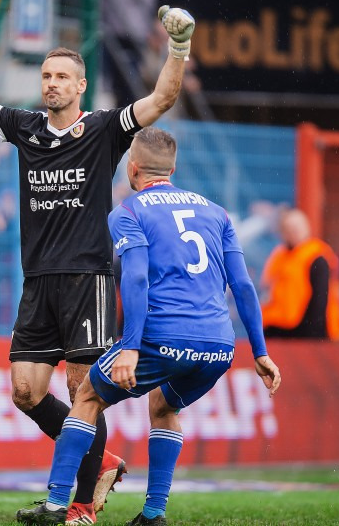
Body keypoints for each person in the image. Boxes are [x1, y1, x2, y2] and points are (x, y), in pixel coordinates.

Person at [0, 4, 195, 525]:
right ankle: (100, 462)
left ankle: (81, 505)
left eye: (62, 76)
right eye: (46, 76)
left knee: (84, 393)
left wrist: (178, 47)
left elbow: (162, 98)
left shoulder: (104, 129)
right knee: (25, 392)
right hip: (38, 281)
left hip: (88, 280)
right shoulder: (25, 128)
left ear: (81, 86)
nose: (52, 84)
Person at [16, 128, 281, 526]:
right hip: (218, 346)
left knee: (87, 397)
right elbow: (242, 285)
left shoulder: (129, 212)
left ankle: (56, 505)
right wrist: (260, 352)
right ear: (172, 170)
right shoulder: (217, 212)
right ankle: (154, 514)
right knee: (164, 405)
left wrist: (130, 347)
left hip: (162, 337)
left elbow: (136, 277)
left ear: (132, 168)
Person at [260, 208, 339, 340]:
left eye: (297, 227)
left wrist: (312, 333)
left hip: (303, 329)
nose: (293, 232)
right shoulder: (279, 256)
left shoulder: (316, 257)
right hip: (277, 326)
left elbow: (320, 300)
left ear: (307, 229)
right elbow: (266, 289)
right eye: (289, 228)